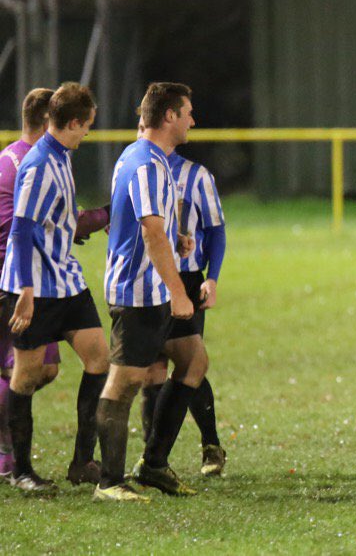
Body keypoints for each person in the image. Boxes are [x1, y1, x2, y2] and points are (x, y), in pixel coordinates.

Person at [93, 82, 203, 502]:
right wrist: (179, 292)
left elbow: (152, 226)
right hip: (138, 291)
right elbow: (150, 232)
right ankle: (108, 482)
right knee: (124, 382)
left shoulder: (150, 158)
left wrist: (177, 238)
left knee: (193, 361)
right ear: (170, 116)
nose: (193, 120)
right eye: (187, 112)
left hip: (155, 289)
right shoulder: (146, 164)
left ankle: (153, 464)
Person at [0, 82, 110, 492]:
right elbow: (21, 231)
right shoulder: (38, 165)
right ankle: (21, 471)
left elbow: (54, 220)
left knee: (99, 360)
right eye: (88, 125)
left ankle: (81, 462)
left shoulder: (62, 155)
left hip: (66, 281)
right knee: (26, 376)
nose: (89, 132)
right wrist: (26, 292)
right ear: (74, 123)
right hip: (35, 287)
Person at [139, 121, 228, 477]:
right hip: (147, 279)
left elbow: (216, 230)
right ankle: (152, 457)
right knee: (153, 370)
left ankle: (211, 444)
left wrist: (212, 278)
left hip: (186, 281)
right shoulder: (136, 168)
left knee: (190, 361)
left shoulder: (195, 175)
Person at [0, 89, 62, 481]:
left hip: (10, 273)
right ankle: (9, 458)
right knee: (34, 369)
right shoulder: (35, 162)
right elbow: (35, 226)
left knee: (28, 369)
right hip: (19, 278)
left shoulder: (7, 155)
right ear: (47, 121)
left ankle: (6, 457)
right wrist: (106, 215)